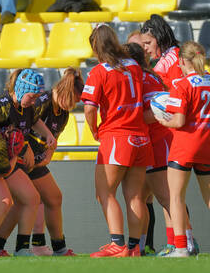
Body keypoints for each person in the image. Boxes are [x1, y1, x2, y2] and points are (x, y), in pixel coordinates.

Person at [82, 24, 154, 258]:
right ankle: (134, 248)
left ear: (95, 46)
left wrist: (94, 130)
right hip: (141, 136)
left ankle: (117, 243)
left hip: (117, 136)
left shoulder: (99, 71)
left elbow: (90, 108)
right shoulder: (134, 66)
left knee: (104, 192)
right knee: (135, 196)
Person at [0, 69, 57, 256]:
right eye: (32, 97)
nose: (34, 101)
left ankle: (17, 248)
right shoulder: (3, 104)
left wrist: (47, 134)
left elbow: (34, 120)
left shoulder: (26, 106)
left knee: (30, 199)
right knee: (11, 201)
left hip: (10, 161)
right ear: (22, 89)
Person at [156, 41, 210, 257]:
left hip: (186, 145)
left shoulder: (181, 84)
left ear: (182, 62)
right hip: (207, 144)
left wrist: (162, 120)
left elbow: (178, 121)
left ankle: (180, 248)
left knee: (175, 197)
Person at [25, 67, 83, 256]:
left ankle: (59, 247)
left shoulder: (64, 113)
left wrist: (47, 157)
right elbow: (22, 126)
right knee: (19, 201)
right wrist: (26, 154)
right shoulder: (42, 102)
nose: (74, 105)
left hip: (37, 161)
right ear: (66, 92)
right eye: (74, 100)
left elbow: (53, 142)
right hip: (21, 158)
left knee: (54, 197)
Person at [123, 42, 172, 256]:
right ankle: (139, 246)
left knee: (167, 198)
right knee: (141, 198)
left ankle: (182, 243)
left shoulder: (146, 79)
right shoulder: (139, 78)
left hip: (157, 143)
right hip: (145, 144)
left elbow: (159, 111)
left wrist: (133, 120)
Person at [140, 14, 182, 89]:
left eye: (148, 43)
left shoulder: (174, 59)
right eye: (144, 44)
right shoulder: (166, 57)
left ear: (160, 38)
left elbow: (178, 91)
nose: (145, 48)